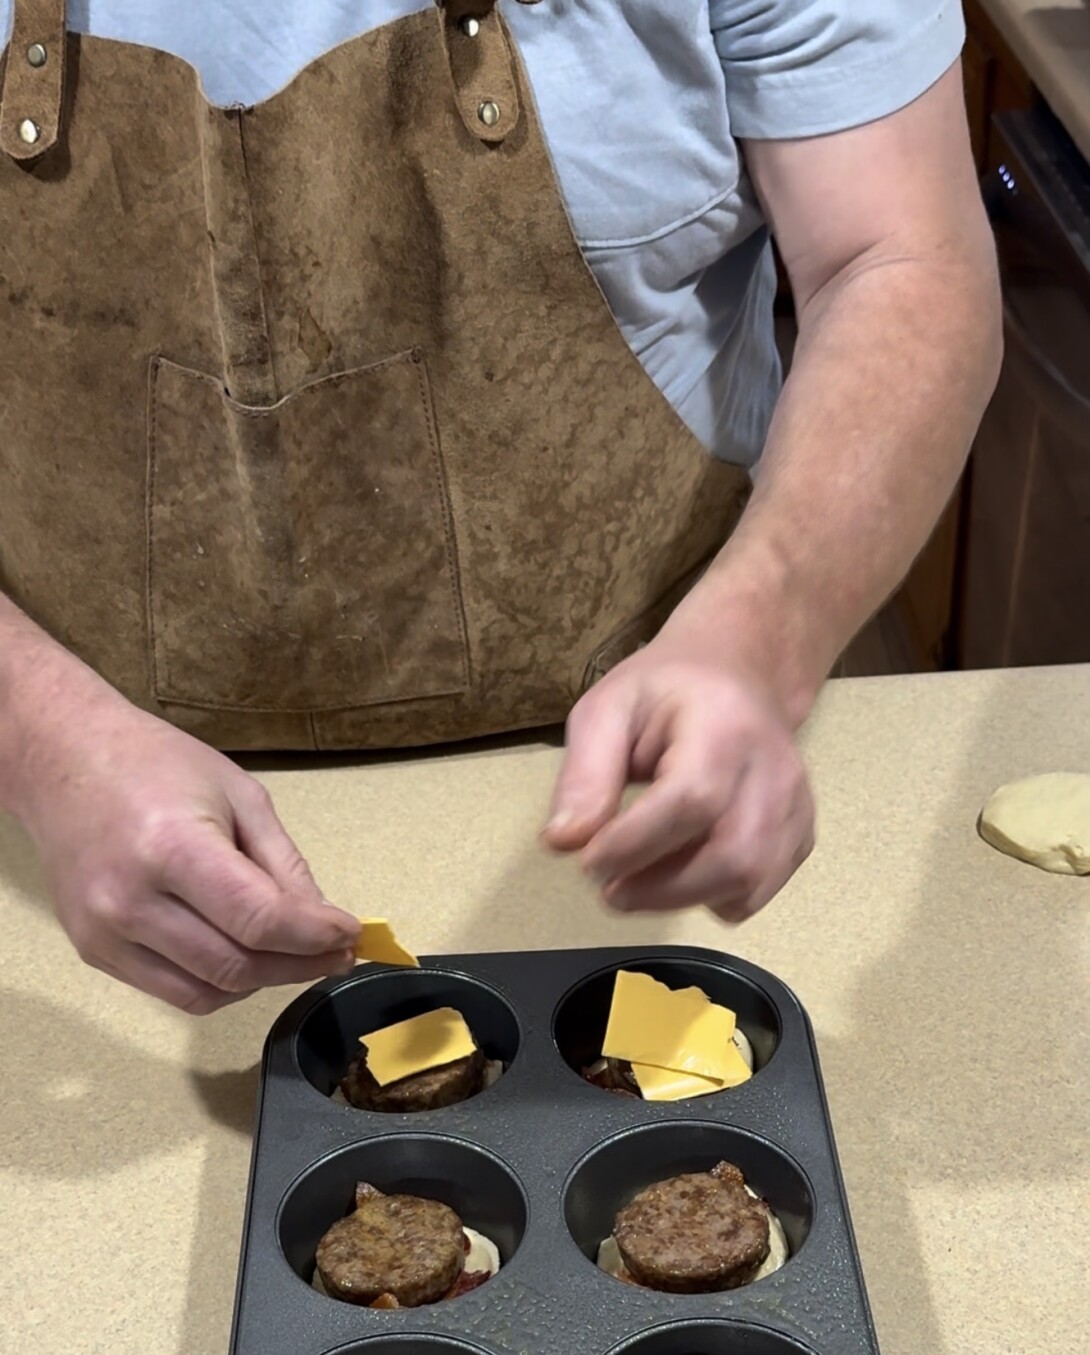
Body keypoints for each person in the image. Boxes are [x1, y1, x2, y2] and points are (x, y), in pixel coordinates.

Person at [0, 1, 1001, 1015]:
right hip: (73, 831)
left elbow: (897, 262)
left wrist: (763, 633)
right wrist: (38, 734)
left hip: (654, 801)